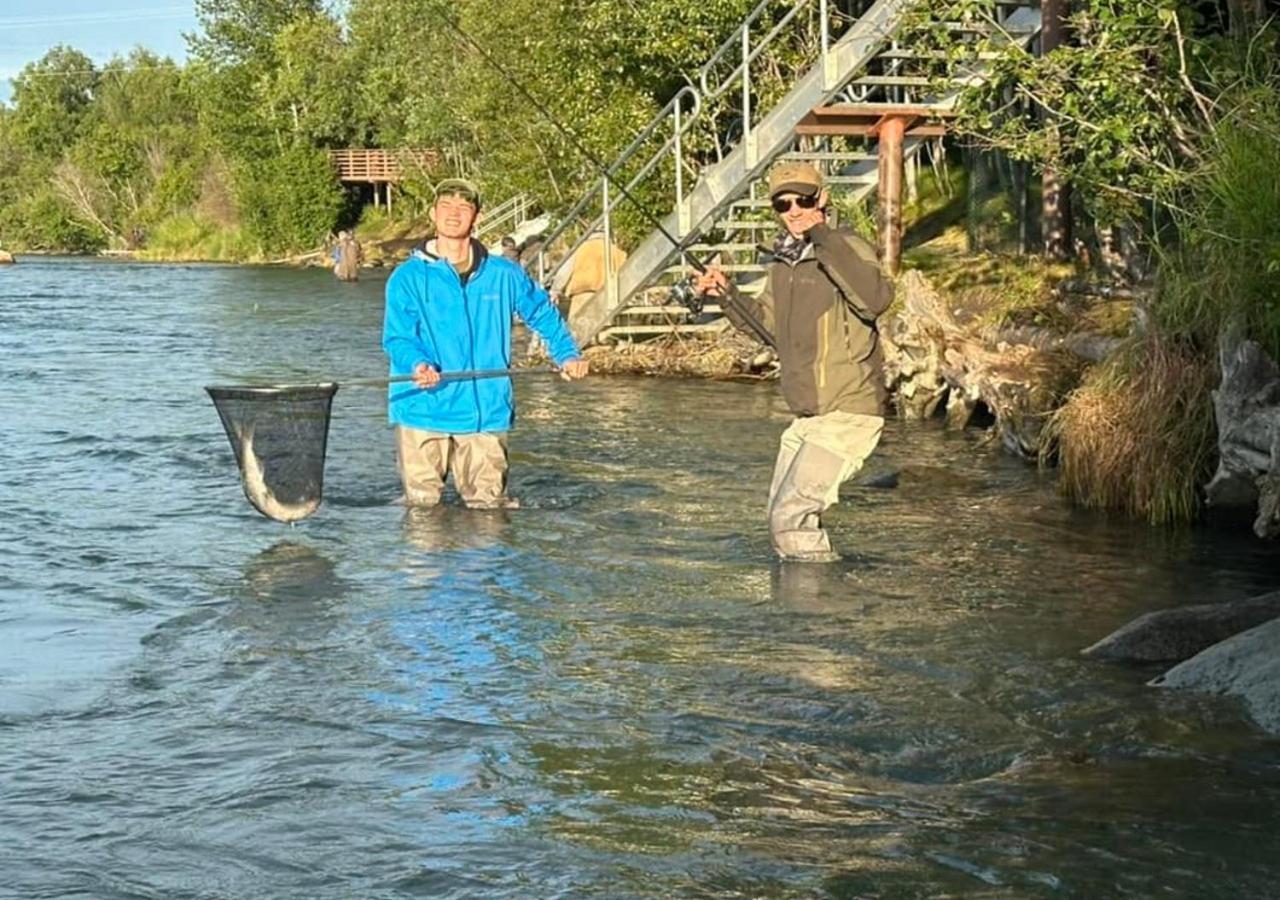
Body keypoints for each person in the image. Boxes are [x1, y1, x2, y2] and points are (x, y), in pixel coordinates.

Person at [693, 162, 894, 563]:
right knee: (778, 519)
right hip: (807, 415)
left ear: (822, 199)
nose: (794, 211)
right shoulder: (782, 263)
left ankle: (819, 611)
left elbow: (875, 300)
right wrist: (728, 294)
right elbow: (770, 330)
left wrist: (821, 237)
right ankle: (808, 611)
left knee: (791, 519)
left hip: (848, 411)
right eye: (783, 205)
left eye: (803, 200)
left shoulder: (846, 245)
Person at [382, 178, 589, 509]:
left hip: (486, 411)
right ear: (433, 214)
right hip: (421, 408)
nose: (454, 214)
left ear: (476, 217)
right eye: (446, 207)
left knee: (488, 515)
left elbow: (541, 312)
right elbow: (398, 337)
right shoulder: (406, 278)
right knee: (421, 515)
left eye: (463, 208)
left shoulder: (503, 273)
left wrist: (566, 353)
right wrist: (418, 364)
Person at [549, 228, 627, 321]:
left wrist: (555, 290)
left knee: (578, 332)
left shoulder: (580, 250)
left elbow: (564, 271)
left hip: (581, 297)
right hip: (608, 298)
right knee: (605, 331)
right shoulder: (617, 252)